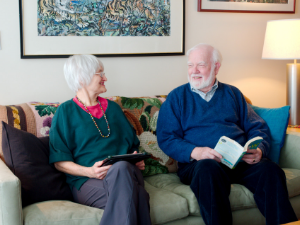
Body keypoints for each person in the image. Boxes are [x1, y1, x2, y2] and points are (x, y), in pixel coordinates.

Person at [157, 43, 297, 225]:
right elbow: (166, 138)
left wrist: (259, 150)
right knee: (208, 169)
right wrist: (196, 152)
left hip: (238, 162)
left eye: (201, 64)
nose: (194, 71)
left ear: (216, 67)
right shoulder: (176, 97)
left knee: (270, 170)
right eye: (190, 65)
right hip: (200, 165)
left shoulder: (233, 93)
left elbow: (257, 126)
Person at [49, 54, 151, 225]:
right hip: (88, 181)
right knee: (138, 195)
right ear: (82, 78)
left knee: (121, 167)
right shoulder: (65, 112)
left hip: (126, 173)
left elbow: (133, 146)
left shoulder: (113, 108)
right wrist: (89, 171)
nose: (106, 78)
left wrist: (136, 159)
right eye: (100, 73)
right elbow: (59, 161)